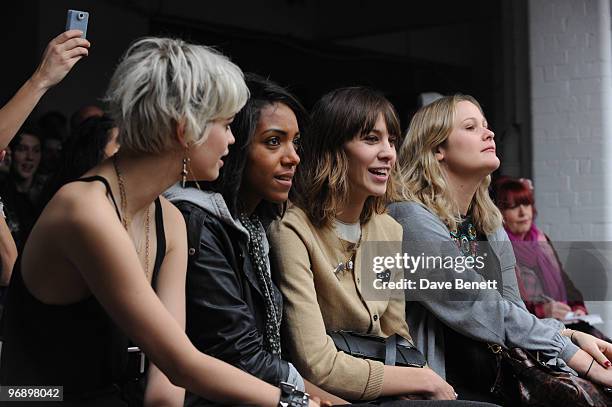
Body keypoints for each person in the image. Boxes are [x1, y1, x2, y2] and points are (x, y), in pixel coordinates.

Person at [0, 37, 317, 407]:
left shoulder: (170, 218)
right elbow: (181, 363)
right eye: (227, 124)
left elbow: (165, 389)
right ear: (185, 129)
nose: (232, 140)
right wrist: (295, 402)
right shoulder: (84, 209)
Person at [268, 87, 497, 406]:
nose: (389, 152)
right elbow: (317, 364)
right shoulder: (293, 231)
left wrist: (415, 378)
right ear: (333, 149)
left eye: (391, 140)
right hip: (327, 396)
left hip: (389, 389)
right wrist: (419, 378)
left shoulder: (385, 228)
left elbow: (395, 334)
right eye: (371, 139)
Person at [389, 94, 612, 403]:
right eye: (470, 127)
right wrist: (579, 359)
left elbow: (514, 313)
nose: (489, 133)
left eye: (486, 125)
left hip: (499, 376)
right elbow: (478, 306)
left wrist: (572, 337)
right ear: (437, 149)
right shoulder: (409, 218)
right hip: (445, 386)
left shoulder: (489, 223)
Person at [166, 74, 346, 406]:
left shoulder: (256, 222)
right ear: (234, 145)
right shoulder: (201, 221)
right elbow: (241, 353)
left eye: (296, 142)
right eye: (274, 142)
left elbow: (389, 325)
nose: (294, 157)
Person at [493, 176, 610, 341]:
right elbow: (503, 303)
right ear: (500, 213)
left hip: (564, 324)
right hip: (531, 332)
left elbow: (564, 281)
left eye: (526, 204)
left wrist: (577, 308)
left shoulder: (541, 240)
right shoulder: (498, 247)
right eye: (513, 207)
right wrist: (542, 311)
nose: (523, 212)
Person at [1, 129, 44, 251]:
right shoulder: (3, 196)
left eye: (36, 150)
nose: (30, 157)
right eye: (22, 149)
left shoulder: (47, 194)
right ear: (10, 153)